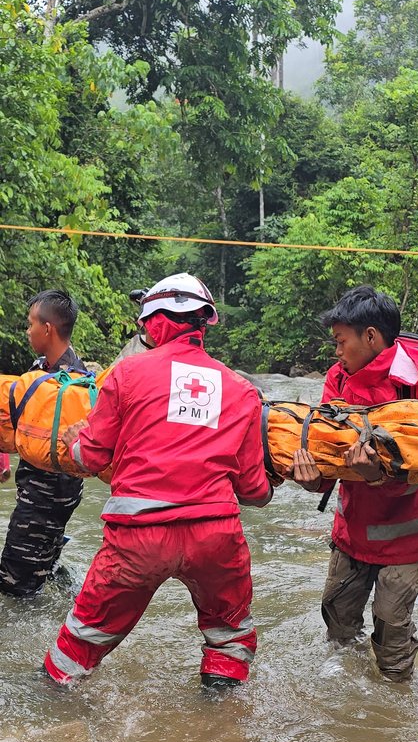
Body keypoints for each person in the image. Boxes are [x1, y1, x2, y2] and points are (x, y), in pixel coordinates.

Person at [44, 273, 272, 688]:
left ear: (154, 323)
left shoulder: (126, 373)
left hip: (138, 537)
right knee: (229, 638)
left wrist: (69, 443)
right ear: (204, 324)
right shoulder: (242, 390)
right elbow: (255, 491)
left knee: (81, 641)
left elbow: (91, 456)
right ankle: (220, 730)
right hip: (216, 537)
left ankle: (51, 708)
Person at [293, 285, 418, 683]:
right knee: (338, 620)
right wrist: (313, 481)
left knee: (391, 628)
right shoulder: (338, 380)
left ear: (370, 336)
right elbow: (328, 453)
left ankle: (396, 704)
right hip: (354, 528)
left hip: (410, 534)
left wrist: (378, 475)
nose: (336, 352)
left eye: (340, 341)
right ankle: (348, 698)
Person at [0, 290, 86, 597]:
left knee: (14, 586)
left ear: (47, 329)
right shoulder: (43, 372)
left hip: (44, 500)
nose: (27, 331)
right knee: (42, 571)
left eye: (30, 323)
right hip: (47, 496)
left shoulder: (70, 387)